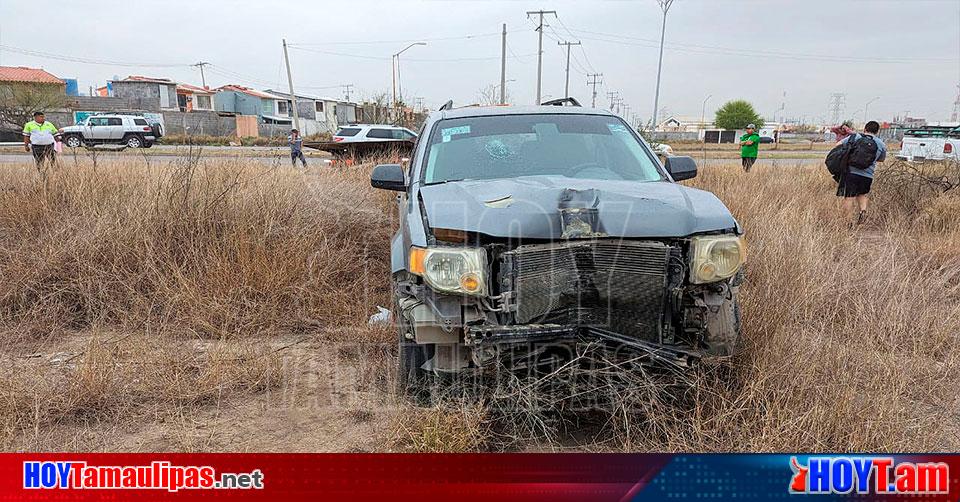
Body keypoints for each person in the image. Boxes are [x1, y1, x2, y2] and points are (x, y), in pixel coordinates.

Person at [837, 120, 886, 225]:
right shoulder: (881, 144)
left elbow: (838, 145)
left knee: (849, 198)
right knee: (862, 194)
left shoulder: (856, 137)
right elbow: (881, 159)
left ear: (865, 129)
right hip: (868, 175)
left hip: (852, 173)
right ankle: (863, 211)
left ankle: (848, 222)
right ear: (877, 131)